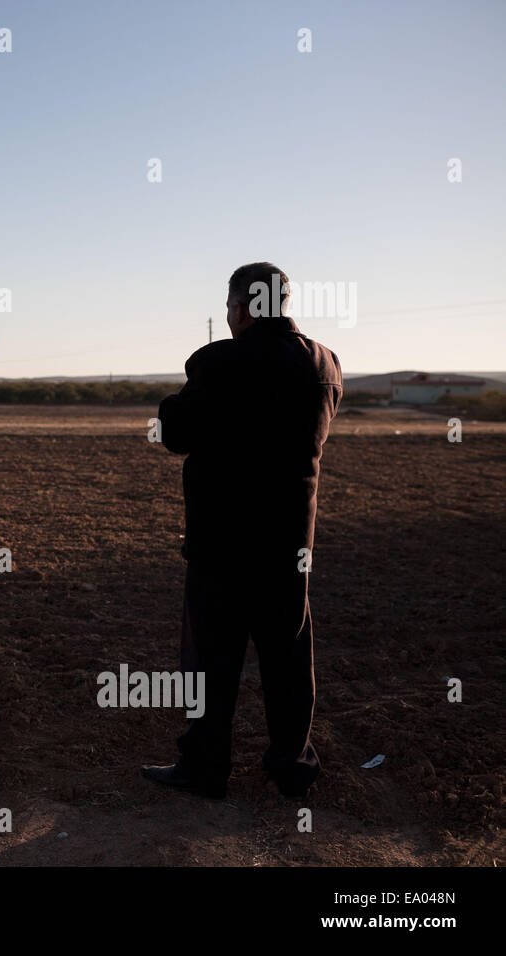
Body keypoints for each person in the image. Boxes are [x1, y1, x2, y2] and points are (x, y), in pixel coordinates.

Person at [145, 262, 342, 799]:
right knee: (288, 658)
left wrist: (173, 400)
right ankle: (292, 767)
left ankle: (206, 767)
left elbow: (175, 433)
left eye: (231, 306)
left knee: (210, 660)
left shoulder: (220, 361)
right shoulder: (325, 364)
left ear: (243, 306)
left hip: (223, 543)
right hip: (290, 543)